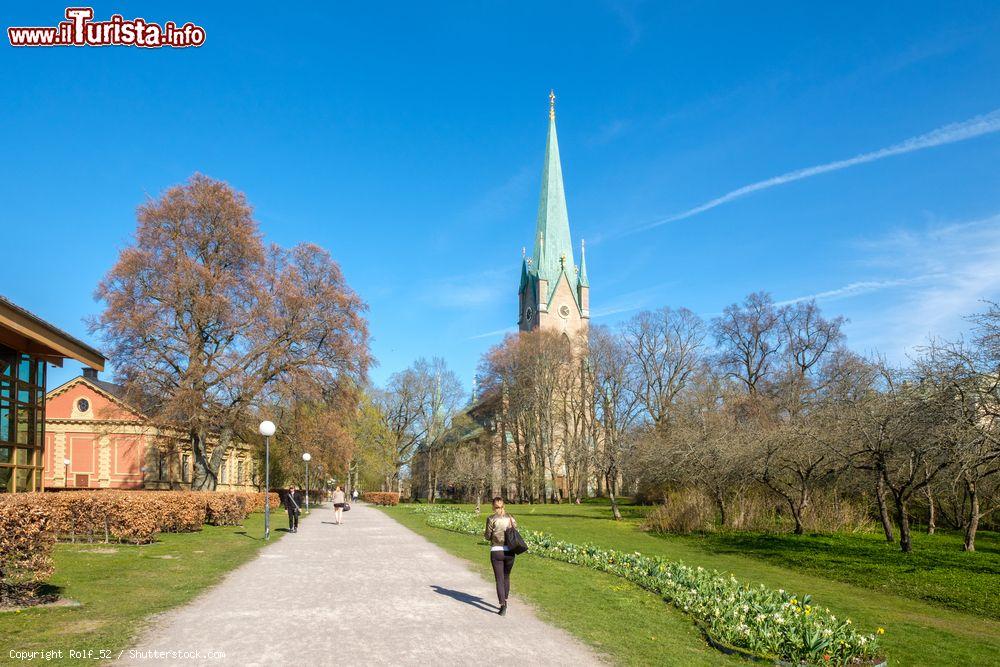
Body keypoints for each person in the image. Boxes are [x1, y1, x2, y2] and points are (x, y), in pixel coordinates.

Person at [484, 497, 517, 616]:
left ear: (493, 506)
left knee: (499, 579)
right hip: (510, 551)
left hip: (497, 550)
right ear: (504, 506)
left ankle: (502, 605)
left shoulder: (491, 518)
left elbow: (487, 536)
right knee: (506, 576)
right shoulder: (511, 518)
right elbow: (515, 532)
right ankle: (506, 600)